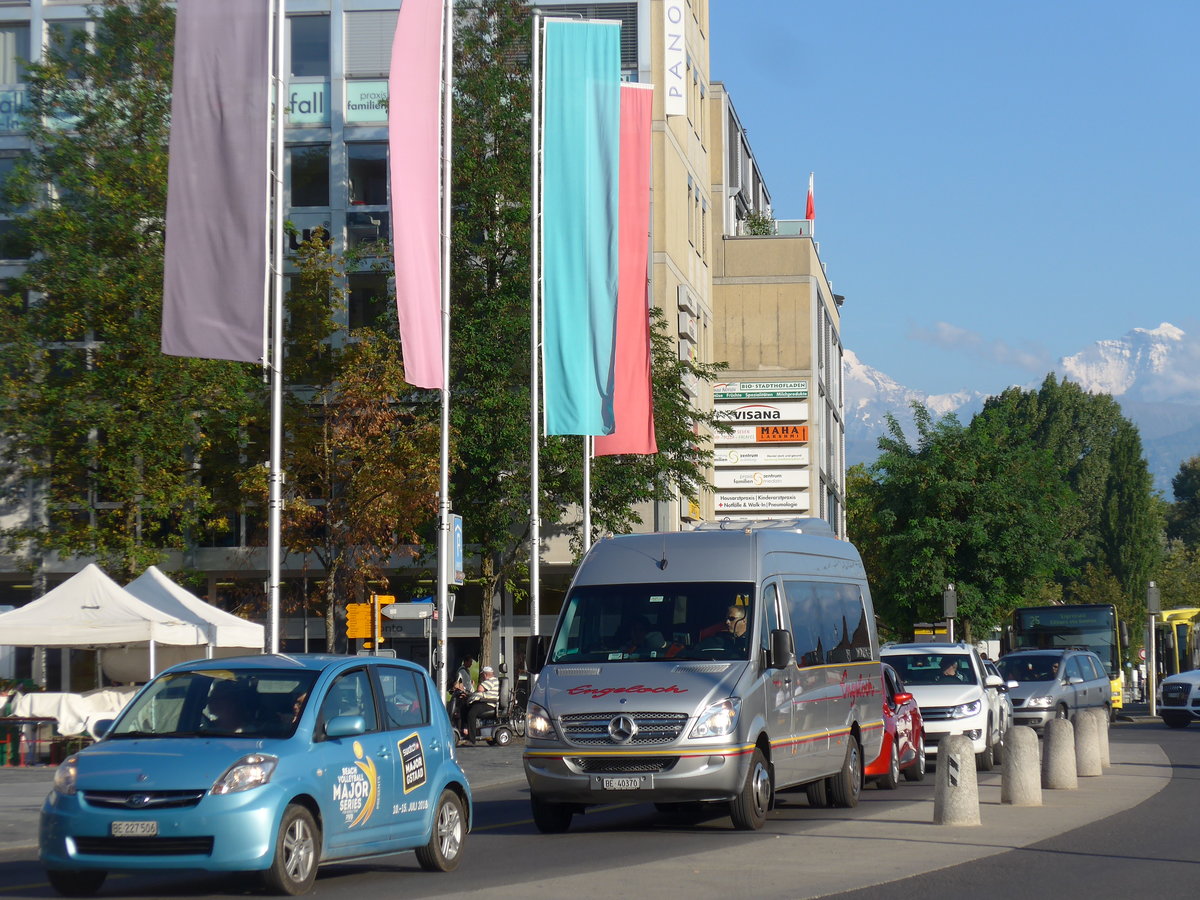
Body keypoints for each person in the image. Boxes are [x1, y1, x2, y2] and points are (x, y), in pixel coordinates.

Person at [464, 665, 500, 745]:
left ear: (485, 674)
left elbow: (480, 688)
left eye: (482, 675)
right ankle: (465, 731)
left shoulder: (492, 680)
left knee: (471, 714)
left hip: (489, 704)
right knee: (466, 708)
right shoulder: (491, 680)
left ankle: (472, 740)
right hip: (485, 702)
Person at [449, 656, 476, 739]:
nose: (471, 663)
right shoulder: (462, 671)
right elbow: (460, 682)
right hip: (464, 695)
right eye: (470, 661)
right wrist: (464, 690)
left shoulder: (466, 671)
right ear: (466, 661)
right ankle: (464, 729)